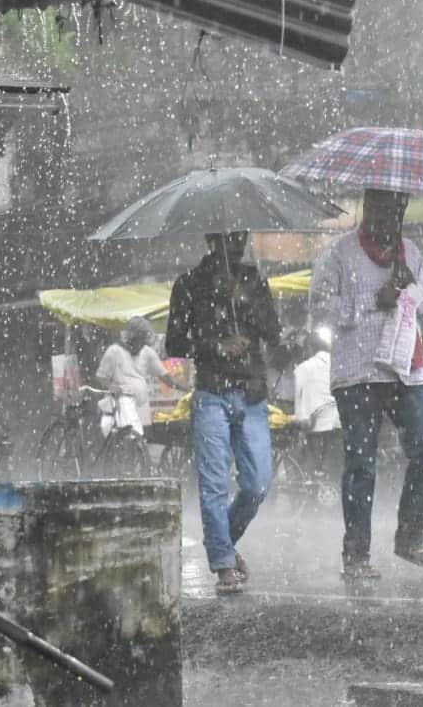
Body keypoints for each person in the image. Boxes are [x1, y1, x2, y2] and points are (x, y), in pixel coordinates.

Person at [310, 188, 423, 579]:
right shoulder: (338, 253)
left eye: (394, 210)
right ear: (368, 209)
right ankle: (356, 555)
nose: (386, 218)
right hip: (358, 373)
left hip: (408, 369)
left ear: (401, 211)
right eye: (379, 209)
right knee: (361, 464)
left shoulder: (411, 254)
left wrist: (411, 292)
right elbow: (319, 307)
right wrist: (375, 298)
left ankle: (409, 537)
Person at [165, 231, 281, 595]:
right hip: (211, 391)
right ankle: (223, 564)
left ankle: (223, 543)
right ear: (212, 240)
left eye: (241, 238)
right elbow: (175, 344)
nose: (238, 245)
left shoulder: (253, 281)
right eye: (230, 238)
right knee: (214, 484)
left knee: (257, 483)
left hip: (252, 392)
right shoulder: (188, 285)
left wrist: (245, 300)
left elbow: (273, 331)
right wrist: (215, 345)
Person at [95, 316, 181, 431]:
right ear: (131, 338)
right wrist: (111, 386)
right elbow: (101, 377)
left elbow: (165, 377)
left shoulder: (147, 352)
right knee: (126, 438)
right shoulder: (114, 351)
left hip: (141, 406)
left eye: (143, 343)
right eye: (139, 342)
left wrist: (185, 388)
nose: (140, 346)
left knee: (142, 440)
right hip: (121, 405)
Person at [294, 326, 341, 475]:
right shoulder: (339, 364)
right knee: (334, 469)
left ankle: (309, 478)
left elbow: (298, 403)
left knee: (308, 466)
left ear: (309, 347)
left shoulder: (302, 368)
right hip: (338, 423)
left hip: (314, 427)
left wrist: (299, 419)